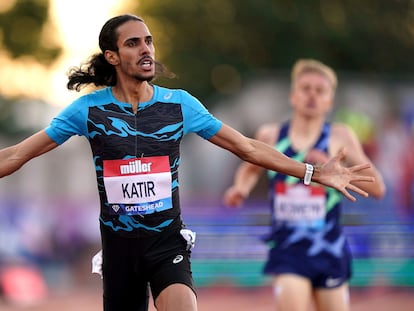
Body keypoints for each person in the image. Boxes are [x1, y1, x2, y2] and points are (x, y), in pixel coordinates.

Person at [0, 15, 375, 311]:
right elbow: (19, 153)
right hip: (119, 251)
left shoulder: (179, 104)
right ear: (112, 57)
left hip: (167, 246)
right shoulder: (88, 110)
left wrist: (312, 172)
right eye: (133, 43)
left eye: (149, 40)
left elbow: (247, 147)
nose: (146, 49)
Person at [223, 59, 386, 311]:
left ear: (329, 101)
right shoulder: (272, 135)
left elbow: (377, 188)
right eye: (305, 88)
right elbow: (249, 169)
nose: (312, 95)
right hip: (289, 248)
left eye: (319, 91)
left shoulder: (339, 137)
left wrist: (337, 171)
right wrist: (240, 189)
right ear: (293, 96)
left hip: (329, 248)